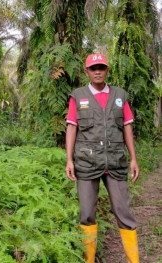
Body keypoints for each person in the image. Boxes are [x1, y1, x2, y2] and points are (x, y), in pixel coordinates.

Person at [65, 53, 140, 263]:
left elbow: (127, 127)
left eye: (101, 67)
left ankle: (133, 260)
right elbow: (72, 128)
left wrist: (134, 158)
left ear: (107, 70)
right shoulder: (78, 96)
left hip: (116, 162)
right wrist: (69, 160)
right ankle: (89, 259)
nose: (97, 71)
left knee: (123, 211)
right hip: (86, 163)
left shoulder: (120, 95)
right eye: (93, 68)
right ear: (86, 71)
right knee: (87, 214)